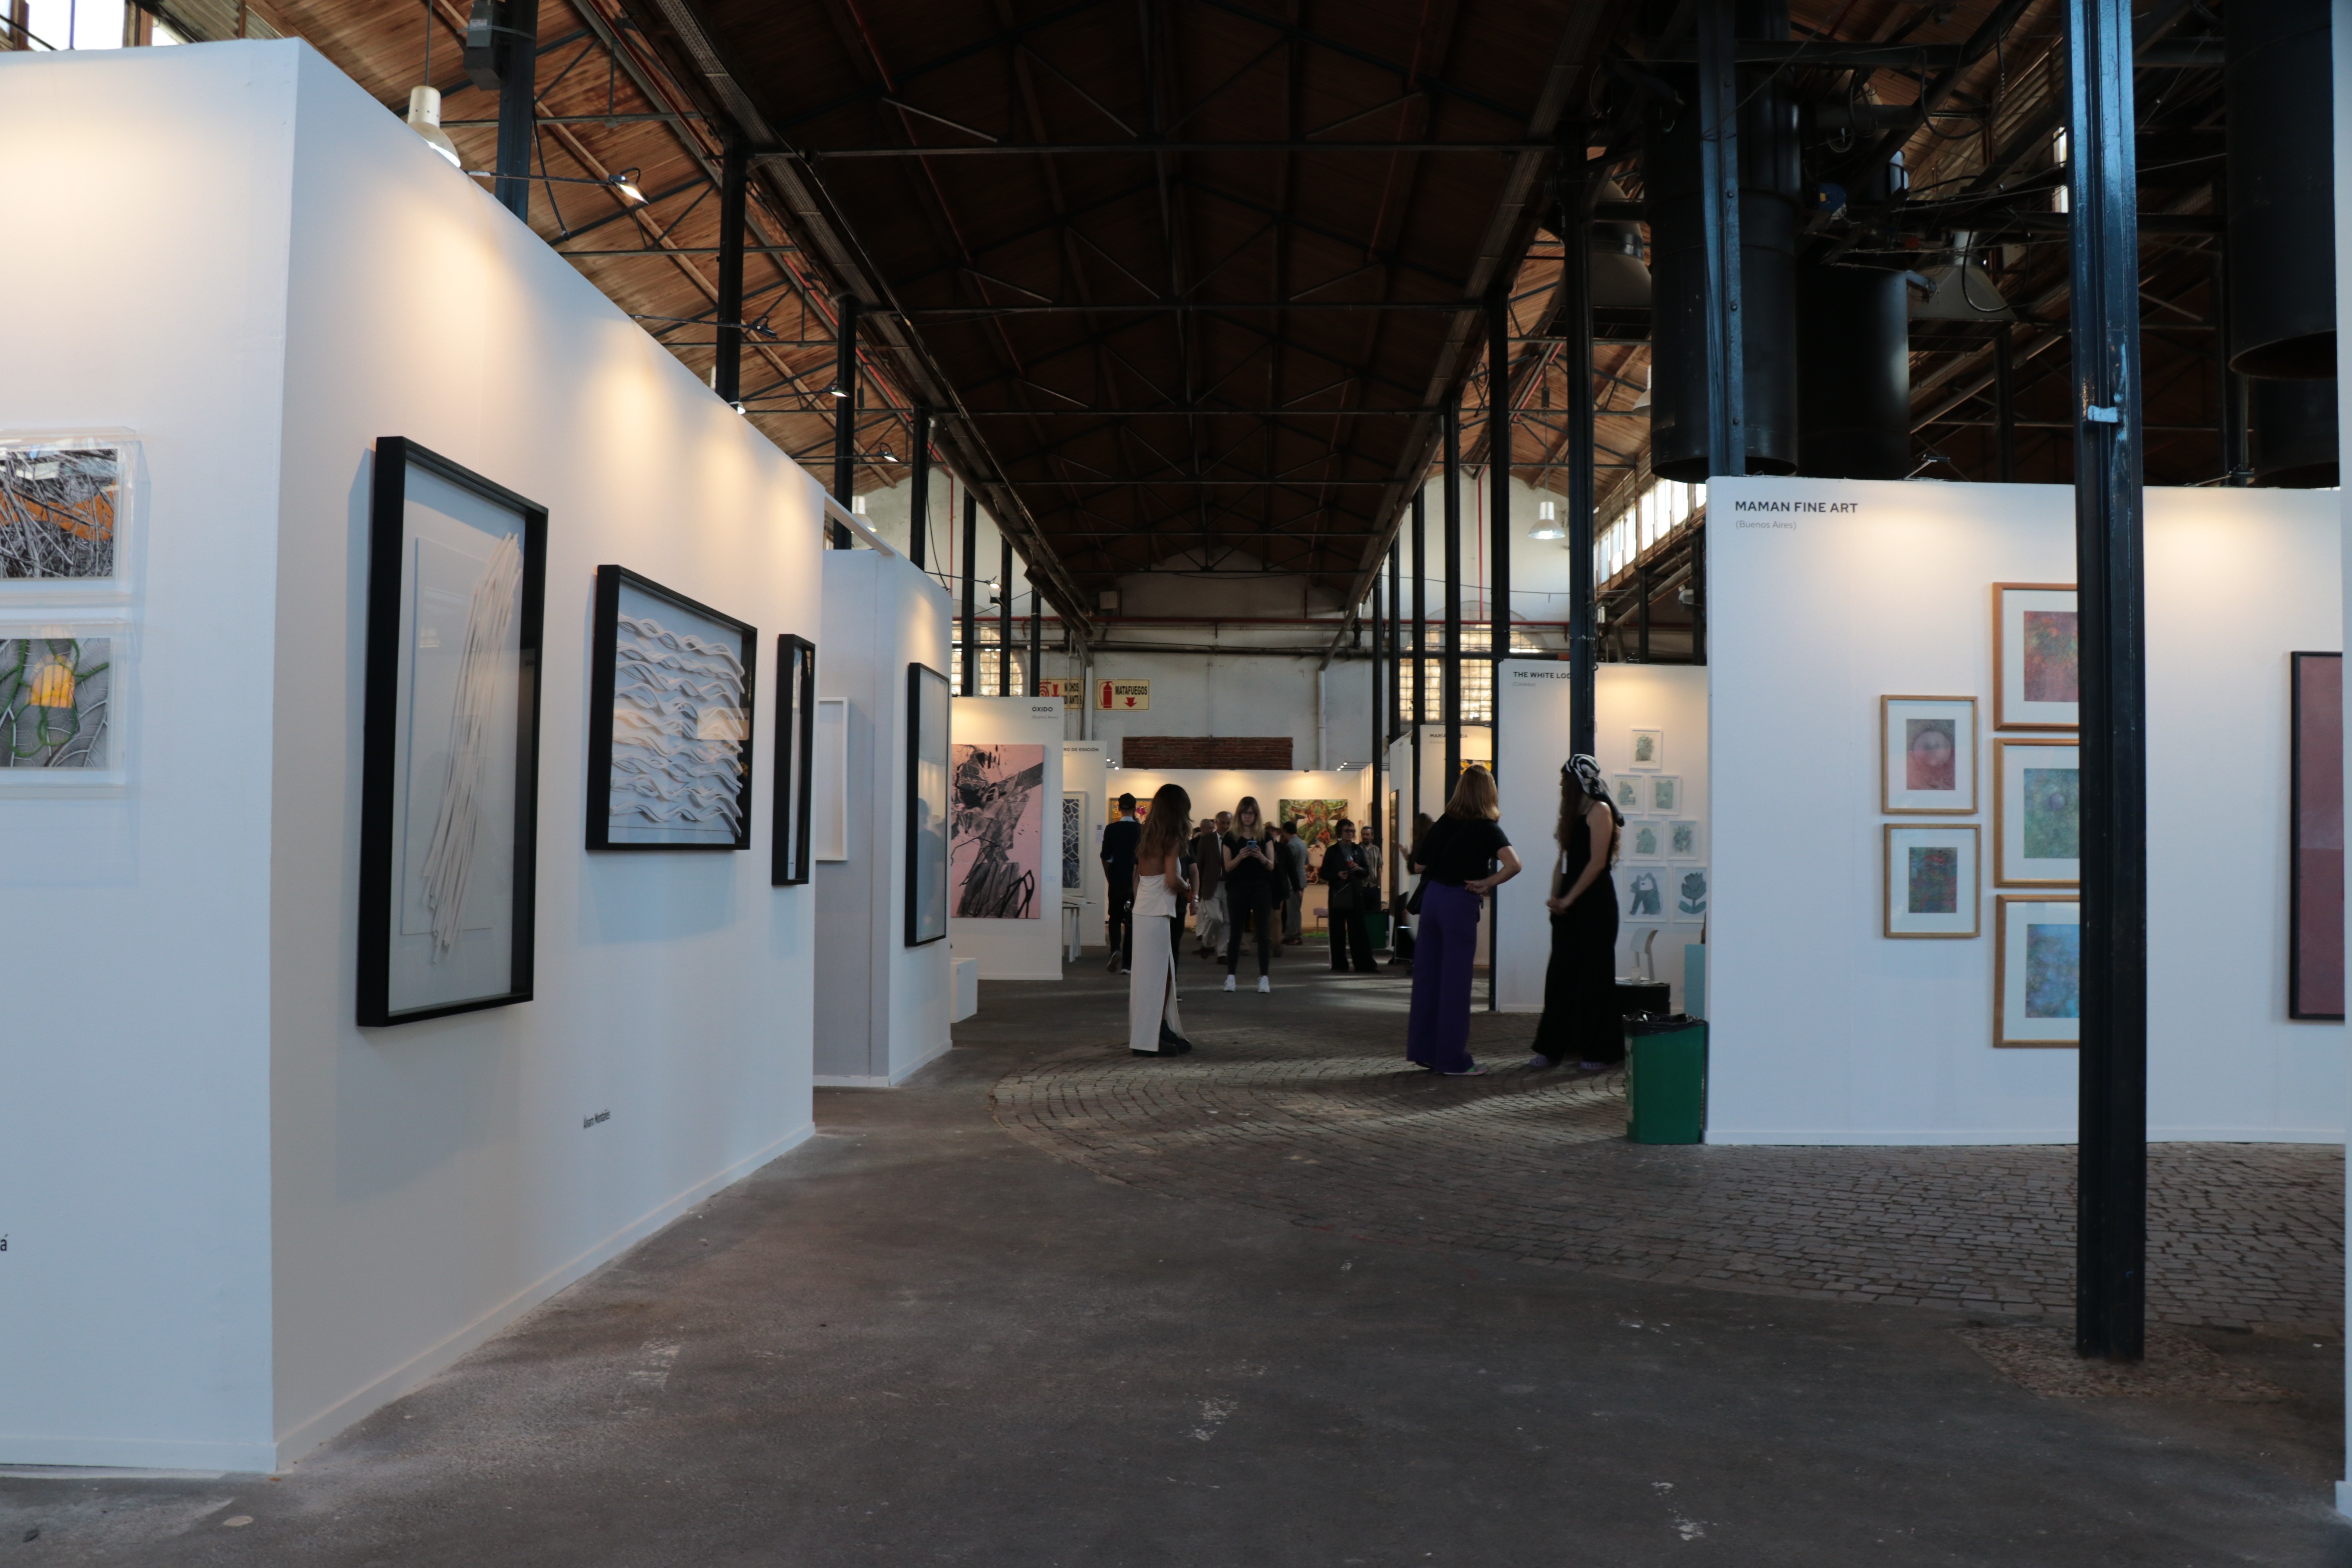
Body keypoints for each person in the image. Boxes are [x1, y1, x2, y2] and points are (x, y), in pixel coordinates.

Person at [1403, 769, 1521, 1075]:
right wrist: (1487, 882)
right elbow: (1514, 865)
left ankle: (1424, 1050)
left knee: (1428, 978)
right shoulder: (1487, 828)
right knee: (1455, 984)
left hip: (1432, 901)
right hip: (1459, 902)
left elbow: (1419, 864)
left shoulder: (1444, 822)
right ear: (1488, 793)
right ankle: (1453, 1060)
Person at [1530, 757, 1625, 1072]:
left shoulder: (1600, 811)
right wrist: (1556, 897)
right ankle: (1551, 1048)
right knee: (1560, 976)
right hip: (1570, 908)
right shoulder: (1572, 814)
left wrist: (1569, 898)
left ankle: (1600, 1051)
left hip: (1595, 906)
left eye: (1563, 779)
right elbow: (1565, 860)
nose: (1560, 785)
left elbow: (1598, 863)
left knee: (1596, 978)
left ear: (1577, 781)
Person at [1127, 784, 1197, 1056]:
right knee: (1157, 978)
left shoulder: (1148, 836)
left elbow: (1140, 879)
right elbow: (1171, 879)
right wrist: (1189, 891)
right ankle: (1147, 1040)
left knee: (1154, 977)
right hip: (1156, 914)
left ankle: (1158, 1029)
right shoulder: (1172, 840)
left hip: (1146, 911)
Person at [1221, 797, 1280, 993]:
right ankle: (1231, 977)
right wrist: (1241, 856)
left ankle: (1264, 978)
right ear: (1239, 815)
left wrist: (1261, 857)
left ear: (1257, 815)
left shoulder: (1265, 837)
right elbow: (1228, 867)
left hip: (1261, 887)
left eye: (1251, 814)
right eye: (1245, 813)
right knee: (1236, 932)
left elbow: (1272, 866)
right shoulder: (1231, 837)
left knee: (1263, 933)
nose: (1248, 817)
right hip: (1238, 887)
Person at [1319, 818, 1378, 973]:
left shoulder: (1358, 850)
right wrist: (1337, 874)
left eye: (1353, 831)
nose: (1351, 834)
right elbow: (1323, 873)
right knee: (1337, 931)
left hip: (1355, 894)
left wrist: (1358, 868)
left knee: (1358, 932)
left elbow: (1367, 871)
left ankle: (1364, 964)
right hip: (1338, 894)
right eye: (1348, 831)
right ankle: (1340, 964)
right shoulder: (1333, 851)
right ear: (1340, 832)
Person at [1099, 793, 1140, 973]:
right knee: (1132, 920)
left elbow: (1106, 857)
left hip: (1117, 878)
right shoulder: (1142, 830)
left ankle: (1116, 949)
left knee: (1115, 918)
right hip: (1136, 880)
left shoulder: (1111, 829)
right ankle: (1128, 964)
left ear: (1119, 808)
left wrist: (1109, 877)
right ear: (1134, 808)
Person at [1388, 811, 1434, 973]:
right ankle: (1422, 960)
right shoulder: (1432, 843)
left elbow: (1414, 868)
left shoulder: (1420, 844)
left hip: (1418, 885)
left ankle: (1421, 961)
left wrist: (1407, 856)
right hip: (1426, 884)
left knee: (1417, 923)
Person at [1191, 815, 1227, 958]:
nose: (1226, 826)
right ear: (1217, 823)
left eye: (1229, 823)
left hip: (1230, 885)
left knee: (1228, 922)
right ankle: (1207, 943)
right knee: (1215, 918)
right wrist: (1197, 891)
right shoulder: (1206, 840)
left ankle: (1223, 954)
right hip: (1211, 885)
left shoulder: (1235, 840)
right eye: (1223, 822)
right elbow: (1199, 865)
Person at [1278, 822, 1310, 945]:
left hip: (1293, 882)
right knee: (1295, 909)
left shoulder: (1291, 846)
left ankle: (1295, 935)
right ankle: (1290, 934)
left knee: (1293, 910)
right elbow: (1307, 861)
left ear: (1285, 831)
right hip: (1302, 880)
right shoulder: (1302, 844)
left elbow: (1288, 865)